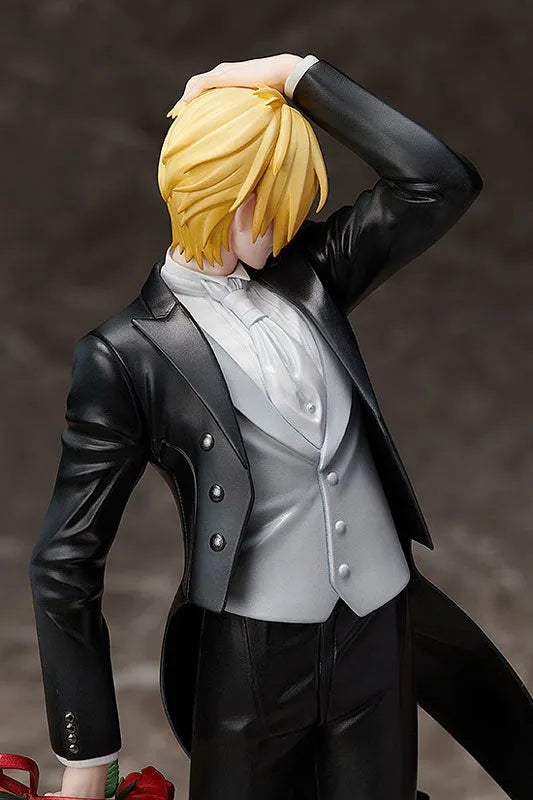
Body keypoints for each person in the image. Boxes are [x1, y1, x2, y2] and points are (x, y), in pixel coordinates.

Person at [30, 54, 533, 800]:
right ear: (214, 193)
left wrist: (297, 76)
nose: (290, 220)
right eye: (270, 202)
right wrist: (87, 752)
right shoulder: (126, 353)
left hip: (376, 627)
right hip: (252, 656)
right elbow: (66, 560)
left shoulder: (312, 275)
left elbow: (439, 182)